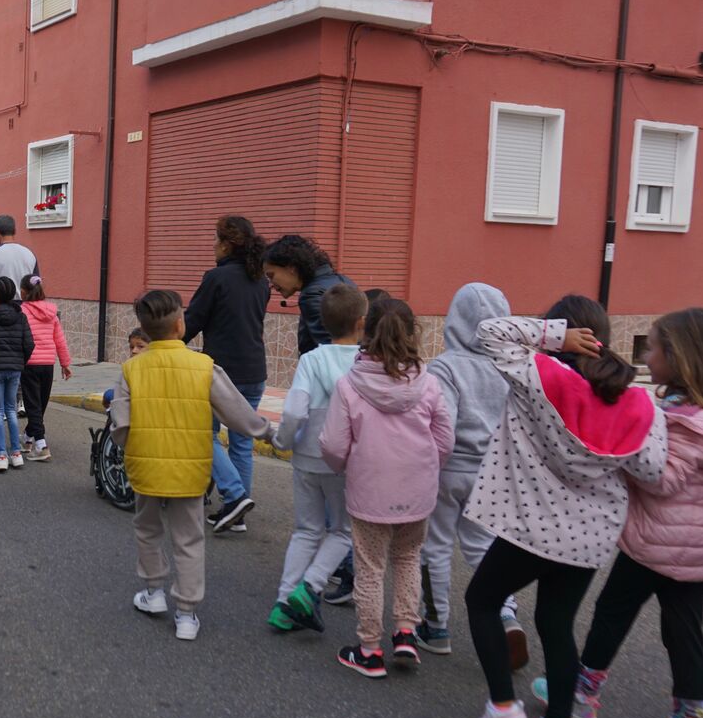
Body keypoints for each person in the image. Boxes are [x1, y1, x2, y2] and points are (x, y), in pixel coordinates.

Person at [534, 309, 703, 718]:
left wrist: (626, 440)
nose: (647, 354)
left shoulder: (685, 421)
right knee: (682, 634)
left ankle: (585, 695)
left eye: (654, 348)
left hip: (656, 541)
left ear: (681, 358)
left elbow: (661, 479)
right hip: (699, 546)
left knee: (613, 614)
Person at [459, 297, 667, 718]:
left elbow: (489, 330)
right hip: (589, 536)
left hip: (530, 526)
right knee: (556, 624)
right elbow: (651, 470)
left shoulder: (537, 376)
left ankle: (503, 708)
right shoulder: (639, 402)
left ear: (563, 332)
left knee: (482, 601)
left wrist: (551, 336)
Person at [115, 289, 269, 642]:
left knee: (147, 528)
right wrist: (269, 432)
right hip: (190, 469)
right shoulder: (204, 367)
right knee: (188, 537)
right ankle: (186, 613)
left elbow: (121, 425)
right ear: (181, 324)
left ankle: (153, 593)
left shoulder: (131, 369)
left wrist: (136, 449)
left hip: (146, 468)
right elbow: (237, 413)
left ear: (144, 329)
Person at [319, 298, 452, 676]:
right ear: (412, 333)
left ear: (366, 330)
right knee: (409, 558)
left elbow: (332, 444)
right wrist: (427, 466)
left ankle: (370, 649)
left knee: (371, 568)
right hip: (417, 491)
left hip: (370, 491)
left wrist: (347, 466)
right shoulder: (428, 383)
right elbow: (445, 439)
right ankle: (407, 632)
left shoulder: (350, 385)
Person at [414, 282, 526, 660]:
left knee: (437, 545)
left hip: (449, 469)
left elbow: (438, 420)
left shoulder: (445, 367)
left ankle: (436, 626)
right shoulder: (511, 367)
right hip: (491, 471)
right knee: (484, 546)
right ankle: (507, 614)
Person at [267, 283, 364, 634]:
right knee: (342, 530)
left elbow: (294, 410)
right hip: (344, 460)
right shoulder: (364, 363)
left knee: (306, 530)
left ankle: (283, 602)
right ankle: (310, 587)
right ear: (362, 323)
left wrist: (283, 440)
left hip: (306, 455)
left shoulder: (311, 359)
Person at [182, 215, 270, 531]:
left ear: (227, 244)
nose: (212, 245)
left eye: (216, 239)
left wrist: (167, 345)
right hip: (255, 370)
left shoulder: (216, 279)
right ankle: (237, 514)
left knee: (202, 434)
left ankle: (233, 497)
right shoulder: (261, 279)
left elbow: (193, 321)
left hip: (221, 371)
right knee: (242, 442)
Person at [261, 234, 355, 355]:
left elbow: (331, 351)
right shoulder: (343, 280)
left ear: (291, 268)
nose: (272, 284)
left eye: (271, 275)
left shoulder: (311, 295)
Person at [0, 276, 34, 472]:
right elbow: (29, 344)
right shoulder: (21, 316)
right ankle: (16, 453)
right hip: (15, 368)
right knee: (11, 410)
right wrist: (20, 361)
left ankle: (1, 455)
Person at [18, 273, 71, 462]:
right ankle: (28, 438)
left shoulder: (22, 311)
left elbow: (19, 338)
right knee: (40, 403)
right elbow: (60, 340)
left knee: (32, 404)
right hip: (48, 364)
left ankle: (41, 444)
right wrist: (65, 363)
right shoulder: (52, 313)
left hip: (30, 363)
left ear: (23, 292)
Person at [0, 214, 39, 310]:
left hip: (0, 309)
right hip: (25, 309)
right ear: (14, 230)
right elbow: (36, 285)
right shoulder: (29, 254)